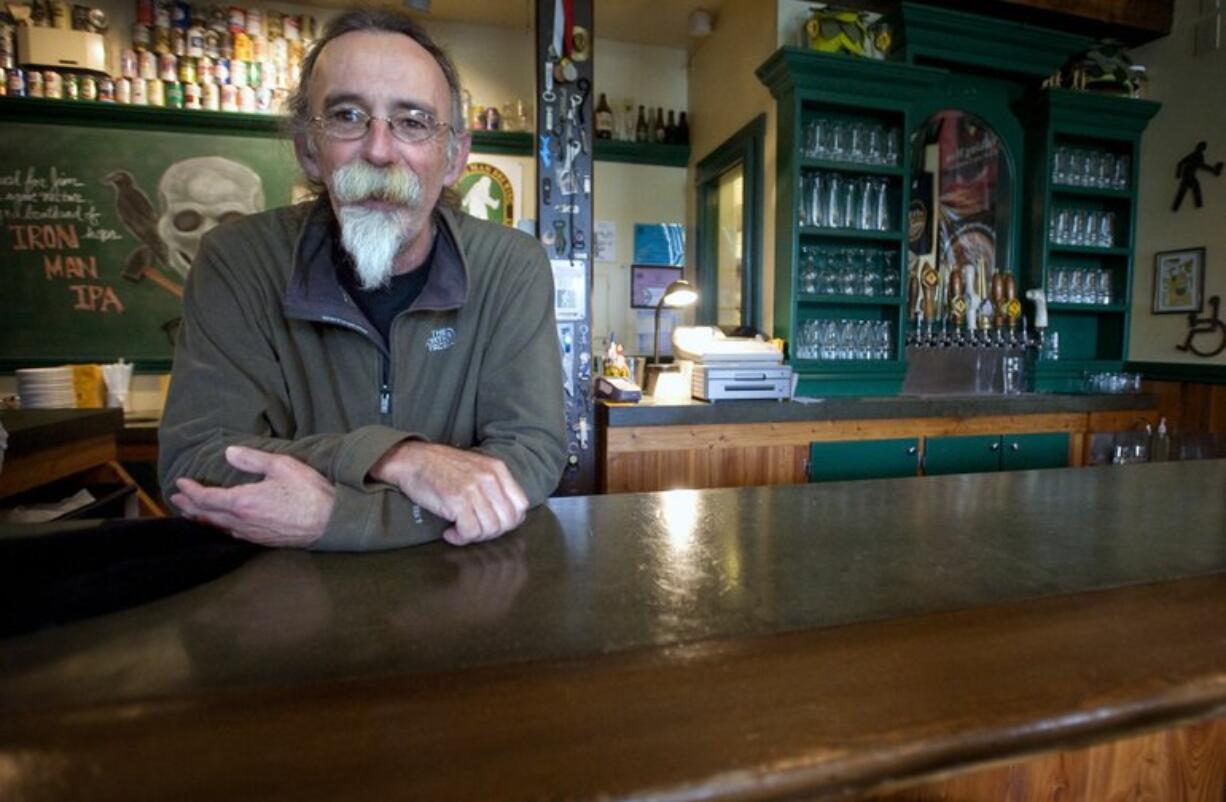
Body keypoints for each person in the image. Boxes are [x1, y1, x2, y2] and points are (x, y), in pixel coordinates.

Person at [159, 9, 566, 551]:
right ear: (309, 148)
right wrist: (398, 459)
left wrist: (337, 517)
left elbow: (532, 454)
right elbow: (195, 466)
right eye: (348, 116)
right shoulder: (237, 260)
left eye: (414, 122)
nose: (378, 150)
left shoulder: (511, 266)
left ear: (453, 160)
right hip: (278, 605)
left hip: (463, 600)